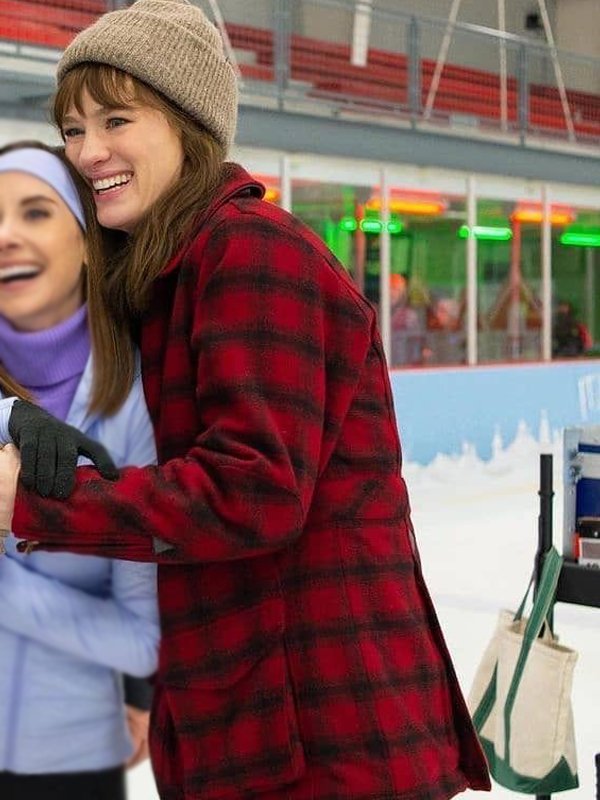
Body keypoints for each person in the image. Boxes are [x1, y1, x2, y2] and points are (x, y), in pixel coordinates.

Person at [0, 1, 491, 797]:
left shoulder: (251, 251)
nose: (88, 152)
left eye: (116, 120)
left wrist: (37, 506)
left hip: (328, 739)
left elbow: (253, 492)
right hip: (239, 720)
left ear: (188, 124)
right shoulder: (158, 275)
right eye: (72, 129)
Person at [0, 141, 159, 800]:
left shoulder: (137, 403)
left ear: (91, 242)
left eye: (35, 212)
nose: (5, 237)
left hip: (70, 757)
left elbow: (143, 638)